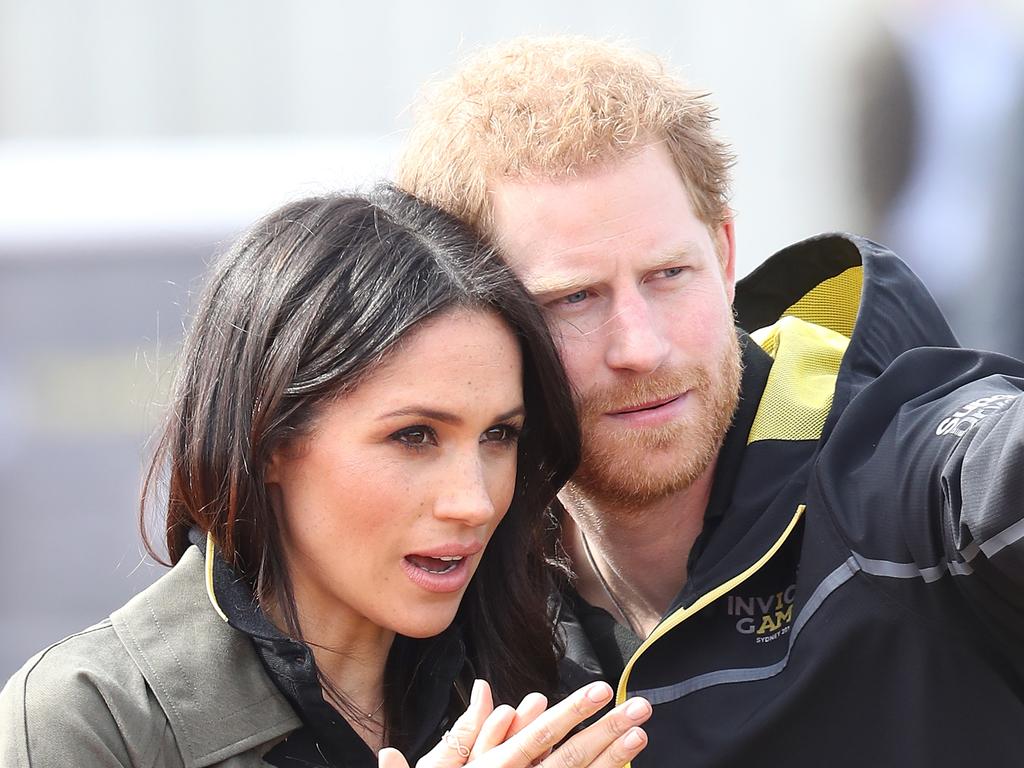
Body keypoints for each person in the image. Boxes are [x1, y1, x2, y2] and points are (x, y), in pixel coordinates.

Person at [396, 36, 1024, 766]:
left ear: (724, 257)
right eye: (574, 298)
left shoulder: (904, 468)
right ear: (476, 322)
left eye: (668, 274)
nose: (641, 346)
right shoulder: (440, 572)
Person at [0, 185, 653, 768]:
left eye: (498, 436)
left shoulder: (557, 690)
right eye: (414, 436)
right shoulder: (94, 720)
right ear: (272, 439)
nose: (474, 502)